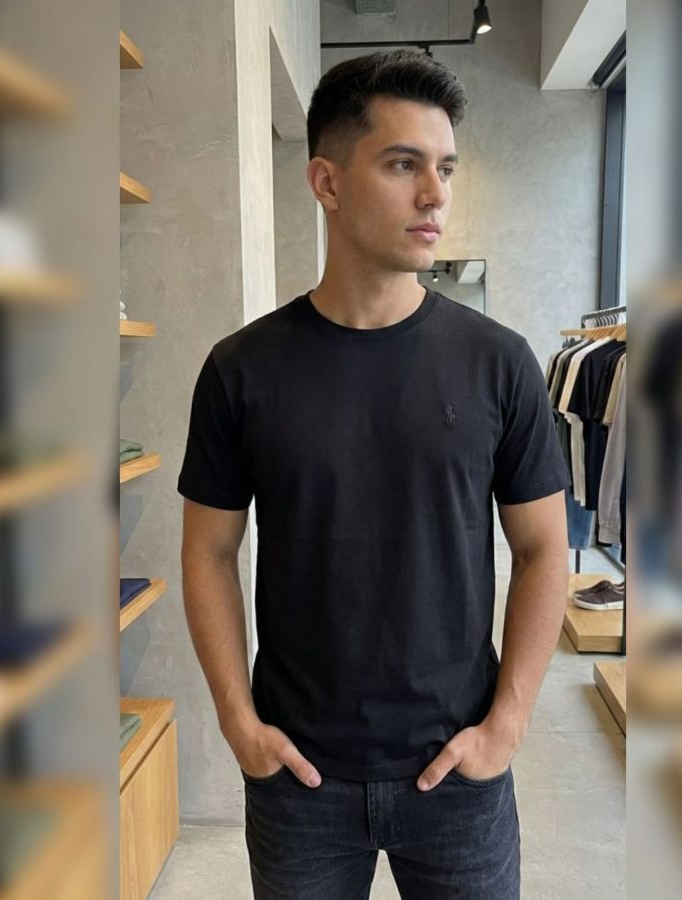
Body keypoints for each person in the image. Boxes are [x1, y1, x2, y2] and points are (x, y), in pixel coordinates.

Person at [177, 48, 570, 900]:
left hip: (457, 771)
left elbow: (545, 549)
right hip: (299, 777)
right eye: (403, 165)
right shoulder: (242, 370)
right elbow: (207, 550)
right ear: (327, 181)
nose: (435, 195)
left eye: (445, 169)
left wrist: (507, 725)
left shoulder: (499, 363)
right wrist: (239, 723)